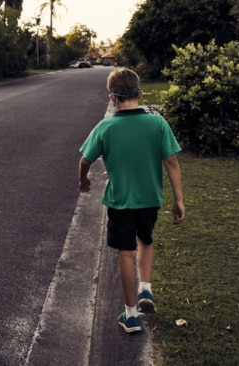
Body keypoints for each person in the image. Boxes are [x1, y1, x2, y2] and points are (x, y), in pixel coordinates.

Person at [78, 68, 185, 334]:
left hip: (120, 201)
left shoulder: (106, 126)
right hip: (150, 199)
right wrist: (179, 199)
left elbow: (85, 160)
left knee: (126, 252)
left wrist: (83, 180)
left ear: (112, 97)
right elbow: (171, 161)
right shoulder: (157, 123)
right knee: (146, 240)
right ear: (140, 93)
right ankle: (145, 288)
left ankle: (130, 315)